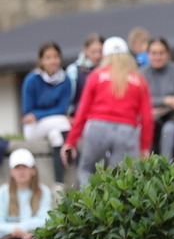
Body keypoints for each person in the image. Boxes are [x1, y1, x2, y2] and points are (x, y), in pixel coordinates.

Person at [61, 37, 153, 185]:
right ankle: (115, 207)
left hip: (98, 127)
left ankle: (93, 205)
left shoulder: (96, 75)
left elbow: (82, 112)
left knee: (86, 169)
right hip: (127, 130)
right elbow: (147, 118)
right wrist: (145, 147)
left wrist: (70, 141)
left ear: (105, 55)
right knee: (120, 177)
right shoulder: (139, 79)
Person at [21, 41, 73, 185]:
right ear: (41, 60)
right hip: (34, 128)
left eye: (55, 57)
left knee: (56, 137)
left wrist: (38, 115)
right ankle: (71, 151)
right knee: (63, 122)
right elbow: (27, 112)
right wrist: (37, 116)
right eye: (48, 57)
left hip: (51, 124)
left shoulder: (66, 80)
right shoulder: (31, 80)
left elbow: (62, 108)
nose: (53, 61)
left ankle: (59, 184)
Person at [141, 37, 174, 157]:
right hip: (149, 118)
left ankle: (165, 168)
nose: (157, 57)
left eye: (161, 53)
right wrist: (168, 100)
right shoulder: (142, 74)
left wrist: (157, 107)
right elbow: (139, 100)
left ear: (168, 53)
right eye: (153, 53)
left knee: (168, 131)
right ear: (148, 55)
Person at [66, 33, 104, 118]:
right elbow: (68, 99)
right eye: (93, 52)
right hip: (79, 114)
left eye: (100, 52)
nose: (97, 56)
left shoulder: (109, 69)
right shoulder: (74, 70)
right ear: (85, 50)